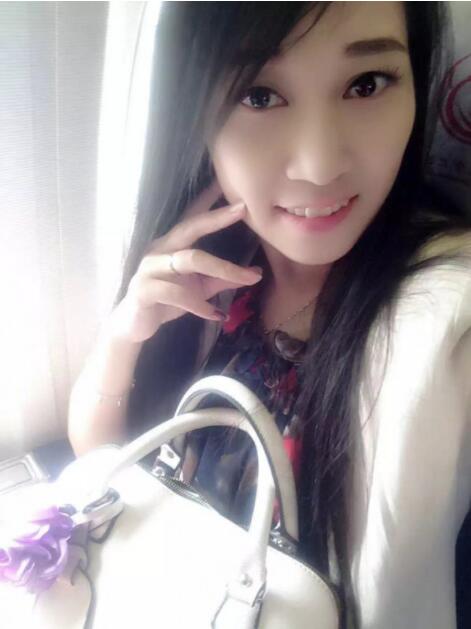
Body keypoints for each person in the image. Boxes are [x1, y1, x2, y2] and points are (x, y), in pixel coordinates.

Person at [67, 2, 471, 627]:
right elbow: (102, 459)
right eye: (259, 95)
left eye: (367, 84)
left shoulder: (443, 321)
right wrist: (126, 334)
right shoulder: (213, 264)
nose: (319, 164)